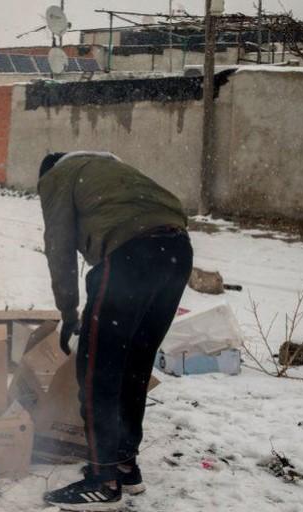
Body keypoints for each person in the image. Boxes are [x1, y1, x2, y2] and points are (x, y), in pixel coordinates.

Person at [37, 152, 193, 510]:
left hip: (131, 255)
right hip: (177, 251)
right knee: (134, 366)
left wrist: (68, 312)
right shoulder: (110, 167)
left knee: (97, 369)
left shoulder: (58, 176)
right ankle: (125, 464)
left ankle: (103, 478)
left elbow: (58, 245)